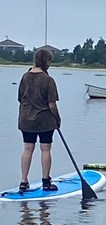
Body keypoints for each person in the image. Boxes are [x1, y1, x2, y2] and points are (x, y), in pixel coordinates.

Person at [18, 48, 61, 192]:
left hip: (26, 119)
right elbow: (52, 104)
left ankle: (23, 182)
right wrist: (57, 118)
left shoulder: (25, 77)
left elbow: (20, 99)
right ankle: (46, 181)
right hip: (44, 120)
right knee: (45, 148)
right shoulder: (48, 80)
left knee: (28, 148)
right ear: (46, 61)